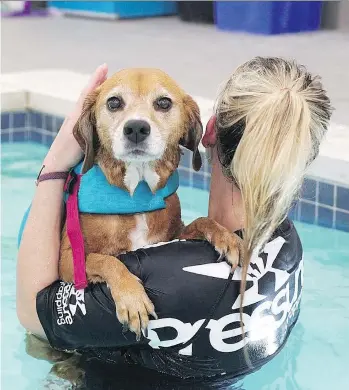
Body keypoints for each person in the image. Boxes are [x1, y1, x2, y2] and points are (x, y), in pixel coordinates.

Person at [17, 58, 331, 388]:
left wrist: (54, 164)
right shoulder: (288, 244)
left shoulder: (164, 284)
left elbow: (33, 315)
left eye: (163, 105)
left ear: (205, 131)